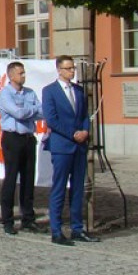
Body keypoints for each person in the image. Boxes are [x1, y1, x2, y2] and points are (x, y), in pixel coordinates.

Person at [42, 56, 99, 246]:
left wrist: (85, 131)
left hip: (79, 146)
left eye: (73, 68)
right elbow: (52, 119)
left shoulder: (78, 90)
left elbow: (84, 115)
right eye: (67, 68)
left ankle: (77, 228)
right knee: (59, 188)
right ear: (59, 70)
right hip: (62, 146)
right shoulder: (50, 91)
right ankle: (56, 230)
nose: (72, 72)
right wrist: (73, 133)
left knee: (77, 189)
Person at [0, 61, 43, 235]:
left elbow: (43, 111)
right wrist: (31, 110)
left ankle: (28, 218)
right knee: (11, 178)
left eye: (24, 73)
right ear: (11, 75)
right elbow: (18, 113)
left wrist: (26, 109)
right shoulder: (5, 94)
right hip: (12, 138)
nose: (23, 76)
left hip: (29, 138)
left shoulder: (30, 92)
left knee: (28, 179)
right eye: (20, 73)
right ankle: (7, 220)